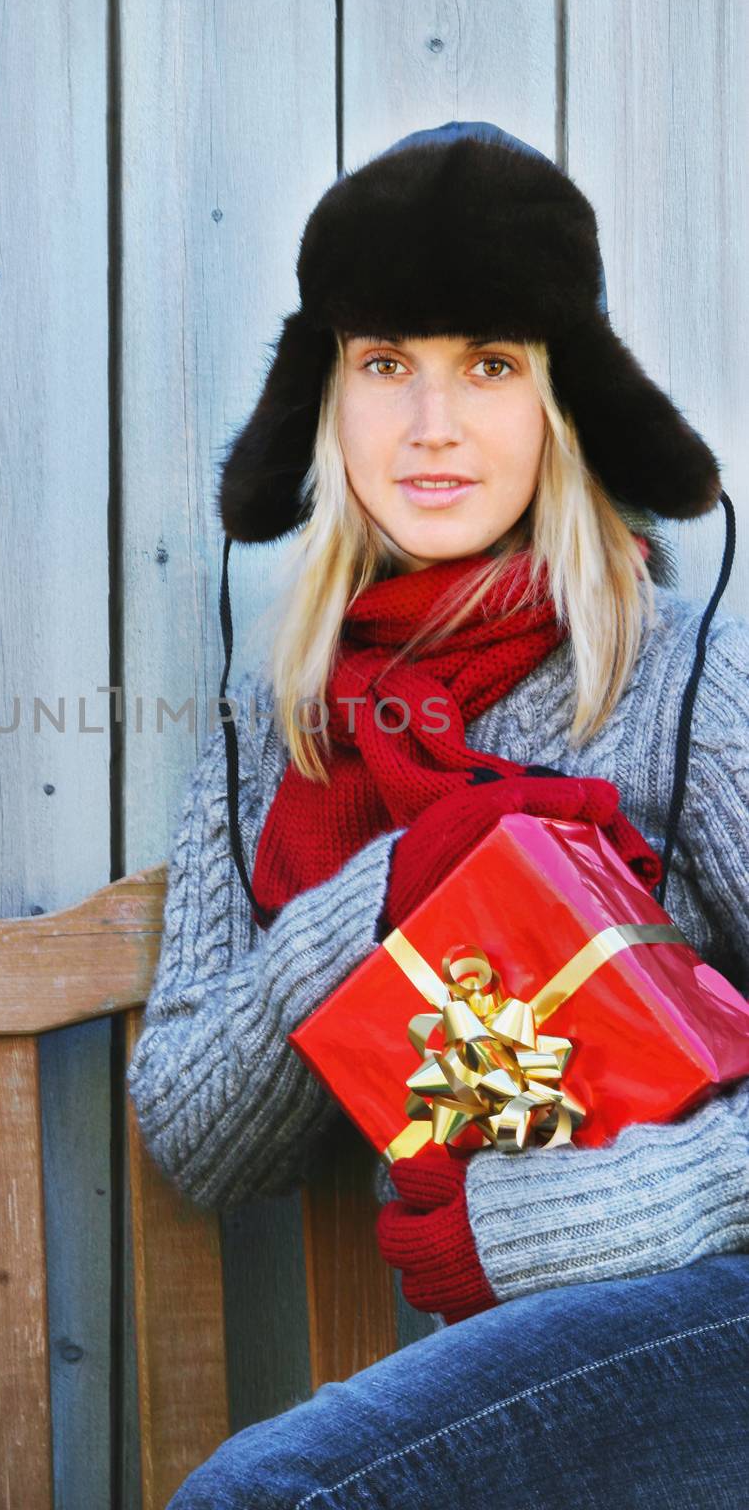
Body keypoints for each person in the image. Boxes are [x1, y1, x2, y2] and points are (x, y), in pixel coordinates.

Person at [125, 122, 749, 1508]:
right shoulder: (270, 722)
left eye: (491, 366)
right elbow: (192, 1124)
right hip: (511, 1376)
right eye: (386, 365)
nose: (432, 426)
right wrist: (390, 893)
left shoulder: (686, 678)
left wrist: (547, 1224)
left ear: (562, 400)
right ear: (328, 399)